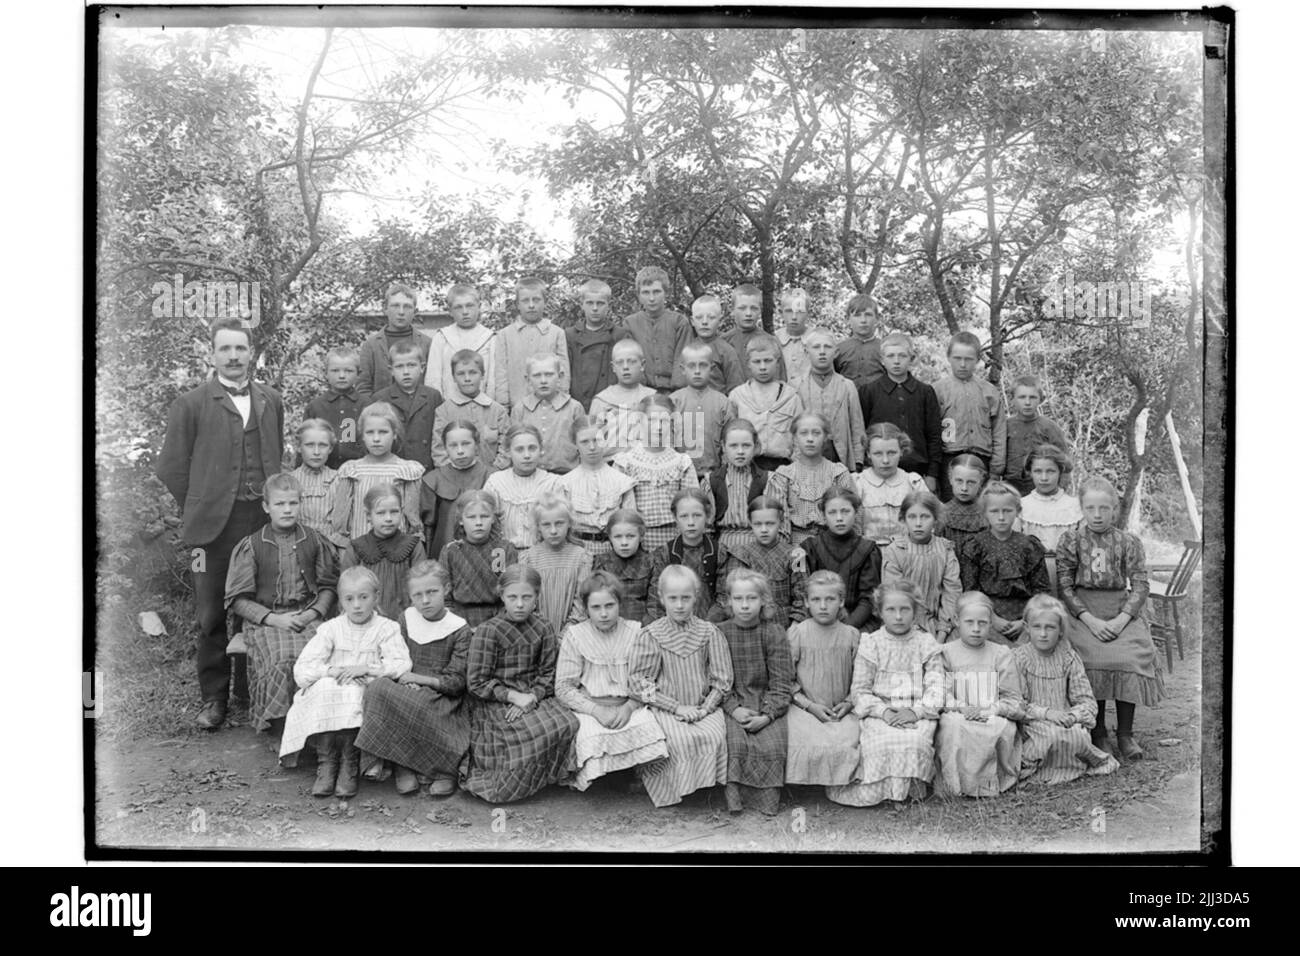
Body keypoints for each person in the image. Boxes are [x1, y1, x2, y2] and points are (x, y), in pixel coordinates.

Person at [156, 317, 285, 729]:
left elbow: (274, 456)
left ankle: (254, 692)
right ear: (212, 354)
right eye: (225, 349)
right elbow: (172, 469)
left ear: (251, 353)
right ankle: (214, 699)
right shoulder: (190, 404)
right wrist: (200, 504)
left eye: (240, 348)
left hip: (259, 520)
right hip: (209, 530)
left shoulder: (271, 400)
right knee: (210, 613)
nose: (233, 356)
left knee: (260, 605)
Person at [1056, 476, 1164, 761]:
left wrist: (1121, 620)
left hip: (1120, 610)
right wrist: (1089, 620)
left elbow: (1140, 584)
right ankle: (1099, 732)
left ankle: (1126, 734)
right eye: (1090, 508)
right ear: (1081, 508)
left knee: (1129, 657)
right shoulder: (1070, 540)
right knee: (1091, 660)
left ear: (1115, 509)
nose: (1097, 515)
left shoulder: (1128, 541)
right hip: (1082, 612)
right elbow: (1065, 586)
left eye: (1104, 508)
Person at [280, 567, 411, 798]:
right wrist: (332, 670)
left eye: (364, 597)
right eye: (349, 599)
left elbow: (402, 664)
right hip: (333, 685)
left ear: (376, 597)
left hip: (366, 686)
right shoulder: (330, 629)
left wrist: (368, 669)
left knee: (355, 692)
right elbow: (302, 670)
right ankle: (327, 763)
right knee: (325, 688)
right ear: (341, 601)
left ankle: (349, 763)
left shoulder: (387, 628)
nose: (357, 605)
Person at [224, 472, 338, 738]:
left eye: (292, 503)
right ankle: (280, 729)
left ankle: (318, 729)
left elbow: (328, 587)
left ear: (300, 504)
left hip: (307, 616)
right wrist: (274, 619)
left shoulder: (314, 540)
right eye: (279, 504)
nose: (287, 510)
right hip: (267, 620)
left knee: (318, 657)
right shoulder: (252, 544)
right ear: (266, 507)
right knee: (281, 659)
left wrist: (311, 613)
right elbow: (237, 600)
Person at [463, 565, 580, 803]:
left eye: (526, 597)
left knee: (567, 722)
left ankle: (549, 778)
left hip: (535, 695)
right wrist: (512, 697)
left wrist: (532, 696)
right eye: (512, 597)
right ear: (502, 597)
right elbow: (476, 682)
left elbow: (548, 672)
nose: (519, 604)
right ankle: (513, 785)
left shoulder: (543, 627)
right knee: (527, 731)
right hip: (496, 701)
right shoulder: (488, 630)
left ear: (537, 598)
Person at [357, 560, 472, 797]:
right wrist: (402, 677)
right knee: (377, 688)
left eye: (432, 592)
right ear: (410, 597)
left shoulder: (459, 628)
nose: (425, 601)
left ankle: (442, 770)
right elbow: (394, 657)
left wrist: (420, 679)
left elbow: (456, 682)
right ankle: (403, 765)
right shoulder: (406, 619)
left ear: (446, 590)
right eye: (418, 595)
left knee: (423, 707)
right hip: (406, 686)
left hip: (441, 696)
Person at [826, 580, 944, 807]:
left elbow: (937, 686)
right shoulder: (871, 643)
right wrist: (884, 712)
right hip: (880, 711)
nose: (898, 616)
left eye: (905, 609)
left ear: (915, 611)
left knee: (914, 740)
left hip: (916, 710)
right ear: (879, 612)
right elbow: (860, 690)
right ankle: (880, 791)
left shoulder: (926, 643)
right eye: (891, 610)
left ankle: (910, 791)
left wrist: (916, 712)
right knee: (881, 741)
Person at [628, 565, 734, 807]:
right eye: (673, 598)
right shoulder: (651, 635)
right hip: (667, 707)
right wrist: (675, 707)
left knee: (714, 735)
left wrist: (706, 708)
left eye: (686, 598)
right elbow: (639, 683)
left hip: (702, 705)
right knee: (677, 740)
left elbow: (722, 678)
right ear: (662, 598)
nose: (679, 605)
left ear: (696, 598)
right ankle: (676, 792)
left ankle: (707, 789)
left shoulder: (709, 632)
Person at [556, 571, 669, 791]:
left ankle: (638, 773)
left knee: (650, 726)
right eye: (596, 608)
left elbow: (649, 679)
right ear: (586, 608)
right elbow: (563, 687)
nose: (604, 614)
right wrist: (596, 710)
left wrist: (630, 706)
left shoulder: (637, 632)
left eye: (610, 605)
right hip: (590, 708)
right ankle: (604, 778)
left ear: (620, 604)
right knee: (589, 735)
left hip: (630, 706)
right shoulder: (576, 634)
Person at [1014, 593, 1120, 785]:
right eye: (1037, 627)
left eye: (1050, 627)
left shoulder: (1068, 658)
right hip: (1034, 722)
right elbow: (1017, 703)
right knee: (1051, 736)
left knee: (1076, 734)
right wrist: (1047, 714)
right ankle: (1039, 770)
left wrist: (1074, 715)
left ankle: (1070, 767)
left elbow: (1086, 700)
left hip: (1065, 718)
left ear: (1061, 631)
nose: (1043, 634)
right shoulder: (1019, 658)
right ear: (1026, 628)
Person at [719, 570, 794, 815]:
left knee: (771, 745)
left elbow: (782, 683)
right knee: (735, 743)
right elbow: (715, 680)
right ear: (728, 601)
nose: (744, 605)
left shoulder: (774, 633)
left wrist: (768, 715)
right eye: (738, 599)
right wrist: (734, 709)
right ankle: (736, 802)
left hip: (766, 701)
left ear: (763, 601)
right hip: (730, 701)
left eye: (751, 598)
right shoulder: (718, 632)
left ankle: (766, 803)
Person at [933, 591, 1023, 797]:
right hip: (958, 711)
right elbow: (939, 693)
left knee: (1002, 727)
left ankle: (990, 784)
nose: (976, 629)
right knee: (952, 726)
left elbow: (1014, 699)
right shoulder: (945, 652)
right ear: (956, 621)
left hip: (991, 712)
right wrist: (963, 708)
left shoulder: (1000, 653)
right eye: (969, 622)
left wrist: (990, 709)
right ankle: (954, 785)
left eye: (982, 623)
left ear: (991, 623)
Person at [784, 571, 862, 790]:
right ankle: (806, 789)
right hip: (805, 707)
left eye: (830, 599)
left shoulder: (851, 635)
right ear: (807, 602)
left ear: (841, 601)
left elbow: (861, 677)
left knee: (848, 741)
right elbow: (786, 679)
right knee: (803, 740)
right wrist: (809, 706)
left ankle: (839, 787)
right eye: (816, 600)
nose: (823, 606)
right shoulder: (797, 634)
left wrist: (848, 702)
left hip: (842, 708)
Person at [958, 481, 1051, 645]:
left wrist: (1025, 621)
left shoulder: (1029, 546)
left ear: (1017, 511)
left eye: (1007, 511)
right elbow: (970, 590)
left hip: (1025, 616)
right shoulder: (975, 546)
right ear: (984, 513)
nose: (1001, 517)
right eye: (994, 511)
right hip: (986, 616)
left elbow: (1041, 590)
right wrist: (992, 619)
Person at [328, 402, 424, 545]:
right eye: (370, 432)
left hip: (398, 551)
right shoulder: (352, 470)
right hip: (360, 549)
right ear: (363, 436)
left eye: (383, 432)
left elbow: (413, 520)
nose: (376, 439)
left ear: (395, 434)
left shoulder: (407, 471)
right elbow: (342, 521)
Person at [612, 394, 697, 552]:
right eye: (651, 420)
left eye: (664, 421)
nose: (658, 427)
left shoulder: (681, 462)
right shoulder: (626, 462)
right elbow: (619, 511)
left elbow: (690, 506)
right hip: (637, 540)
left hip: (674, 538)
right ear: (639, 421)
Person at [858, 332, 943, 491]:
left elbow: (934, 435)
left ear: (911, 358)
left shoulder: (925, 392)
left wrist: (932, 474)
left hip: (918, 470)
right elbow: (861, 433)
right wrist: (863, 466)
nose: (896, 361)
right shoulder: (868, 391)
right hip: (879, 469)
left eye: (902, 356)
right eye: (890, 356)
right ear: (882, 360)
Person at [764, 412, 858, 547]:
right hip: (796, 545)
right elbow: (778, 519)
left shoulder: (838, 473)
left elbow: (855, 513)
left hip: (836, 545)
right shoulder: (784, 475)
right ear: (794, 438)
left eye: (816, 433)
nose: (810, 439)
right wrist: (788, 553)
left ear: (826, 436)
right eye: (803, 433)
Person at [794, 488, 881, 631]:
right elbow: (801, 592)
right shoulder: (807, 548)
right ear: (823, 516)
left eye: (845, 511)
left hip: (858, 624)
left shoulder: (868, 550)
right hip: (816, 620)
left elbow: (868, 599)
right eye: (832, 512)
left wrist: (845, 630)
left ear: (856, 513)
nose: (839, 518)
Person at [713, 495, 806, 629]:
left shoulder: (796, 555)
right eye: (758, 524)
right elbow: (724, 596)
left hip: (782, 626)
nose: (764, 529)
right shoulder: (739, 554)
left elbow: (802, 595)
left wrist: (795, 626)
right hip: (745, 627)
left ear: (780, 522)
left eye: (770, 523)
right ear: (750, 523)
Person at [933, 331, 1008, 498]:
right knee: (949, 508)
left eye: (968, 359)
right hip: (948, 459)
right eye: (957, 358)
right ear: (948, 357)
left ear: (978, 359)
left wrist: (996, 468)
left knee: (981, 509)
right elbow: (930, 432)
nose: (962, 364)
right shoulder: (936, 390)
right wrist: (933, 469)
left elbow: (999, 431)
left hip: (982, 459)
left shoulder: (989, 391)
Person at [882, 490, 961, 643]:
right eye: (912, 517)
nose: (918, 523)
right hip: (902, 624)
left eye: (925, 517)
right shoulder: (896, 550)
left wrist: (942, 632)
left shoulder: (945, 550)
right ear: (903, 520)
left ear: (935, 520)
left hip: (940, 625)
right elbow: (895, 594)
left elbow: (952, 592)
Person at [340, 483, 423, 622]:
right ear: (368, 515)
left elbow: (422, 586)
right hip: (366, 623)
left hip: (406, 622)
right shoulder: (357, 547)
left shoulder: (413, 545)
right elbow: (346, 589)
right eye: (381, 513)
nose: (388, 518)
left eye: (394, 511)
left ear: (402, 512)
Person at [557, 416, 637, 557]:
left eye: (597, 440)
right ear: (575, 444)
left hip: (615, 553)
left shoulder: (621, 481)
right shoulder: (565, 483)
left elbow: (631, 524)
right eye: (584, 442)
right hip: (578, 553)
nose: (592, 447)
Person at [647, 488, 729, 621]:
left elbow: (724, 596)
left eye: (697, 515)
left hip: (709, 625)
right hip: (671, 626)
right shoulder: (664, 554)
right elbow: (655, 598)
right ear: (675, 518)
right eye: (684, 516)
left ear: (707, 516)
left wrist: (705, 627)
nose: (691, 522)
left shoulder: (720, 552)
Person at [439, 489, 518, 627]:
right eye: (471, 517)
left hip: (498, 618)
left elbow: (512, 591)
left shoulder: (505, 549)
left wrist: (499, 622)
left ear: (493, 518)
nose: (478, 522)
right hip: (459, 619)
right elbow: (445, 595)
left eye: (484, 516)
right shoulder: (451, 551)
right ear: (461, 520)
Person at [519, 492, 593, 635]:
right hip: (536, 634)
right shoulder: (528, 558)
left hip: (572, 635)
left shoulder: (581, 557)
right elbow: (526, 599)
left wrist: (564, 636)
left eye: (559, 523)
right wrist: (543, 635)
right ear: (538, 526)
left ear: (569, 523)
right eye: (546, 525)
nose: (553, 531)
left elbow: (581, 603)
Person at [493, 276, 570, 411]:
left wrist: (562, 400)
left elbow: (563, 372)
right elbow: (501, 373)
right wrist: (503, 404)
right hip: (518, 405)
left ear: (545, 302)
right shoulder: (505, 335)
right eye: (525, 300)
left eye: (536, 300)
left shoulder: (557, 333)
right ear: (517, 304)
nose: (531, 305)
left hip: (551, 405)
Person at [793, 326, 865, 469]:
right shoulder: (796, 386)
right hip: (806, 458)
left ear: (836, 352)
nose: (822, 352)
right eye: (816, 347)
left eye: (827, 347)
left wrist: (858, 460)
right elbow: (792, 427)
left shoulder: (847, 386)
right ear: (807, 351)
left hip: (840, 457)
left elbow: (857, 426)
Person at [729, 334, 804, 472]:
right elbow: (729, 434)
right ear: (748, 364)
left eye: (768, 360)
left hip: (783, 467)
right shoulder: (737, 396)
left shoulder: (791, 397)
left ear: (777, 362)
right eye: (757, 362)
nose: (763, 367)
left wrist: (796, 467)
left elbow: (800, 435)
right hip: (746, 467)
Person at [483, 423, 561, 550]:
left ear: (541, 449)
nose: (527, 455)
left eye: (532, 448)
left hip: (543, 554)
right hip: (505, 554)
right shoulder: (496, 483)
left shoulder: (553, 483)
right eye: (519, 449)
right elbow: (487, 522)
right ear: (508, 452)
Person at [430, 349, 510, 472]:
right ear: (454, 378)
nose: (467, 378)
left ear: (482, 374)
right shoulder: (444, 411)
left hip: (491, 478)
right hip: (456, 479)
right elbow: (439, 450)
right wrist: (453, 473)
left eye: (473, 373)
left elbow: (506, 448)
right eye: (461, 374)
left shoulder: (497, 411)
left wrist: (494, 472)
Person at [1017, 443, 1082, 593]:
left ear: (1060, 471)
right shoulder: (1021, 506)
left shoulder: (1074, 507)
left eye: (1050, 471)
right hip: (1032, 576)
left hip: (1068, 576)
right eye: (1038, 471)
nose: (1044, 478)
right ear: (1030, 472)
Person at [421, 421, 489, 561]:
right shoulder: (433, 480)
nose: (460, 451)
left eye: (465, 444)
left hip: (486, 554)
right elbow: (428, 527)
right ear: (445, 448)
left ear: (476, 444)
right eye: (453, 445)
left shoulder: (491, 477)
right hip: (445, 553)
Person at [370, 340, 443, 471]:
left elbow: (439, 435)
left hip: (427, 468)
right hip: (394, 468)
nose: (406, 372)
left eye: (411, 365)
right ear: (391, 370)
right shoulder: (381, 398)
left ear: (422, 367)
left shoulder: (433, 396)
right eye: (399, 366)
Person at [619, 265, 691, 394]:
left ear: (666, 293)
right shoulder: (629, 324)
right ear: (639, 296)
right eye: (646, 292)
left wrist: (676, 394)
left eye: (657, 292)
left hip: (673, 392)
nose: (651, 298)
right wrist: (641, 390)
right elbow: (630, 359)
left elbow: (683, 359)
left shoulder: (679, 322)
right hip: (640, 391)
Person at [855, 423, 928, 545]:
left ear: (901, 451)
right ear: (868, 453)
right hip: (869, 555)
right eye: (878, 454)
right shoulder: (858, 483)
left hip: (907, 553)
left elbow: (929, 520)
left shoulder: (913, 483)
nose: (885, 460)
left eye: (891, 453)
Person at [510, 353, 583, 474]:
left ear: (560, 376)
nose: (543, 381)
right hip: (531, 476)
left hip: (567, 475)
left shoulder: (574, 408)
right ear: (528, 379)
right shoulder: (520, 409)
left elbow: (583, 445)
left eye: (549, 374)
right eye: (537, 375)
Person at [704, 419, 771, 552]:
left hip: (759, 548)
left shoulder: (768, 480)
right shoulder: (712, 481)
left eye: (746, 445)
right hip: (723, 548)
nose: (740, 451)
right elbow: (706, 528)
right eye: (733, 446)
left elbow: (779, 528)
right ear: (723, 446)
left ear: (756, 446)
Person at [671, 341, 735, 478]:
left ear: (711, 369)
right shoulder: (674, 401)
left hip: (714, 475)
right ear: (682, 369)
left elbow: (730, 439)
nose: (697, 371)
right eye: (691, 366)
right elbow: (666, 441)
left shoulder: (722, 402)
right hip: (680, 474)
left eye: (703, 365)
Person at [565, 278, 631, 410]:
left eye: (600, 303)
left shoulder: (619, 334)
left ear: (608, 304)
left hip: (611, 404)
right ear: (581, 304)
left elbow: (626, 371)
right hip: (578, 403)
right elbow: (565, 373)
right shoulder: (570, 335)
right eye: (589, 303)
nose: (595, 308)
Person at [358, 282, 433, 398]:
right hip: (382, 412)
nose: (401, 312)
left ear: (415, 311)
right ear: (385, 309)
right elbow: (363, 387)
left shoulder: (427, 343)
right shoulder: (371, 345)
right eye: (395, 306)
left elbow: (432, 383)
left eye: (407, 306)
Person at [425, 283, 496, 402]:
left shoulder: (490, 338)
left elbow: (493, 379)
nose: (465, 312)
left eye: (470, 306)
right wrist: (441, 408)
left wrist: (489, 405)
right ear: (450, 311)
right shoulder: (442, 337)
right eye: (458, 307)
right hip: (449, 406)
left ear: (479, 307)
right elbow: (433, 379)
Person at [1004, 374, 1070, 496]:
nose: (1027, 402)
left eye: (1033, 397)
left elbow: (1065, 463)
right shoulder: (1005, 426)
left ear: (1040, 399)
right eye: (1022, 397)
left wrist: (1060, 489)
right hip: (1010, 487)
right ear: (1012, 399)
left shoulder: (1049, 427)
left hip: (1040, 486)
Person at [588, 338, 656, 456]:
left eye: (632, 361)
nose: (625, 367)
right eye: (619, 362)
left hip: (646, 463)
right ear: (613, 367)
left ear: (642, 364)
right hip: (611, 464)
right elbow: (593, 439)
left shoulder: (652, 398)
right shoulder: (602, 400)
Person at [669, 294, 745, 394]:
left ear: (720, 321)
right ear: (692, 321)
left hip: (717, 406)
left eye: (711, 317)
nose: (704, 322)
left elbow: (736, 389)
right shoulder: (687, 349)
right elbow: (678, 382)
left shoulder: (726, 351)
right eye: (699, 317)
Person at [304, 346, 366, 468]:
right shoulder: (315, 406)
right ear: (325, 372)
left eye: (348, 371)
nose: (342, 376)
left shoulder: (367, 405)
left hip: (359, 471)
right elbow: (304, 442)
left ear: (358, 373)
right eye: (335, 371)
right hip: (322, 471)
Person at [592, 510, 655, 622]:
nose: (624, 542)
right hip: (610, 625)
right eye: (618, 537)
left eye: (630, 536)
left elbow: (655, 604)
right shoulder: (602, 563)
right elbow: (597, 602)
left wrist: (645, 631)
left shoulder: (651, 562)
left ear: (641, 536)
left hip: (643, 627)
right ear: (610, 537)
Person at [723, 283, 788, 380]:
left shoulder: (771, 342)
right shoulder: (724, 342)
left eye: (754, 308)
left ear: (760, 310)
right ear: (732, 310)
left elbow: (780, 380)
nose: (748, 313)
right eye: (742, 308)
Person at [290, 419, 339, 536]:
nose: (316, 452)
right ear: (298, 447)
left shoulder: (339, 479)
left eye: (322, 445)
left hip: (331, 548)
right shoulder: (289, 481)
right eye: (310, 445)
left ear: (330, 448)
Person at [832, 292, 885, 390]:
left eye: (868, 315)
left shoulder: (885, 348)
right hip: (847, 403)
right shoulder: (838, 350)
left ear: (877, 319)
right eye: (857, 315)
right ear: (848, 319)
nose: (863, 320)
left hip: (879, 403)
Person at [939, 454, 989, 556]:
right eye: (959, 481)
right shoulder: (942, 513)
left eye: (971, 482)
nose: (964, 488)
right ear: (950, 479)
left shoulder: (988, 513)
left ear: (980, 482)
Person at [774, 287, 812, 381]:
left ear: (808, 313)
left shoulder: (818, 340)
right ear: (781, 312)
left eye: (799, 312)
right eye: (789, 311)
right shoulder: (773, 340)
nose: (794, 317)